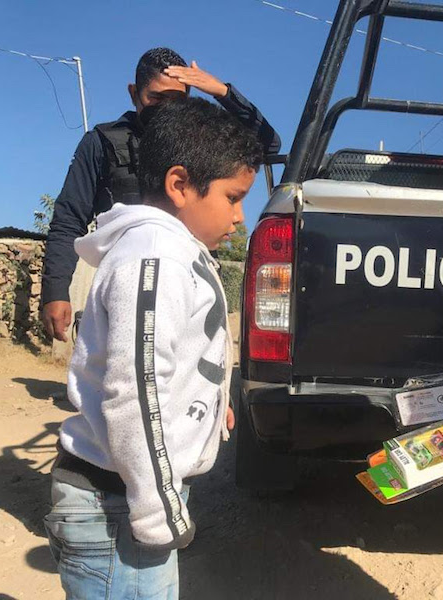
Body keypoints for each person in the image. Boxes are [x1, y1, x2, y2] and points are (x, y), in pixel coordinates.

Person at [43, 96, 261, 599]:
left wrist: (209, 408)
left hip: (125, 498)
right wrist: (159, 514)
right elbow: (135, 393)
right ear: (180, 185)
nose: (240, 217)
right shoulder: (155, 258)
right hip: (116, 506)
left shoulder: (173, 253)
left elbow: (176, 359)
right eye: (233, 197)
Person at [42, 47, 281, 342]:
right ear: (134, 93)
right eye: (156, 98)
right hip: (125, 287)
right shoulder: (102, 143)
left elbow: (268, 146)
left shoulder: (200, 141)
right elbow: (68, 218)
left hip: (191, 285)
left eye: (177, 100)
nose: (166, 109)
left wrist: (222, 92)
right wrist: (55, 291)